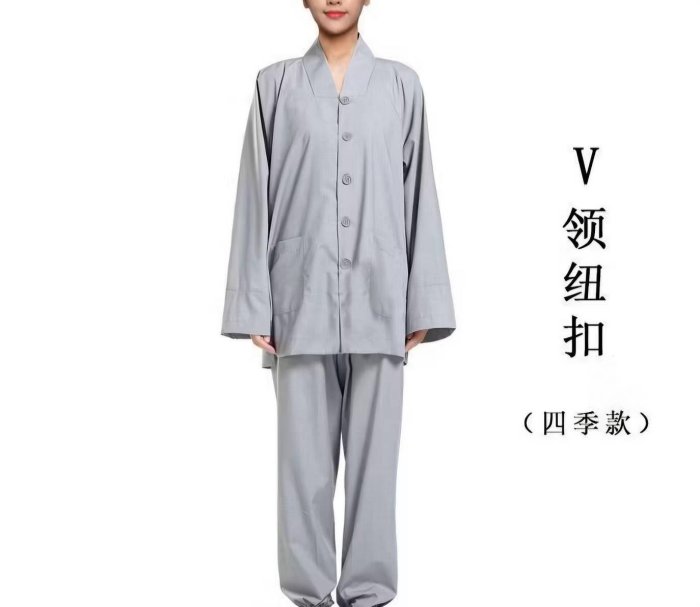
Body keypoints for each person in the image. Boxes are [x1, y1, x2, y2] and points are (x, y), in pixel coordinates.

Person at [221, 1, 456, 605]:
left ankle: (369, 594)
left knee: (377, 470)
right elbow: (254, 192)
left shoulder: (402, 85)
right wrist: (253, 303)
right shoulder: (274, 85)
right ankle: (308, 595)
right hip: (298, 302)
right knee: (302, 469)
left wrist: (423, 302)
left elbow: (419, 192)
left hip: (383, 301)